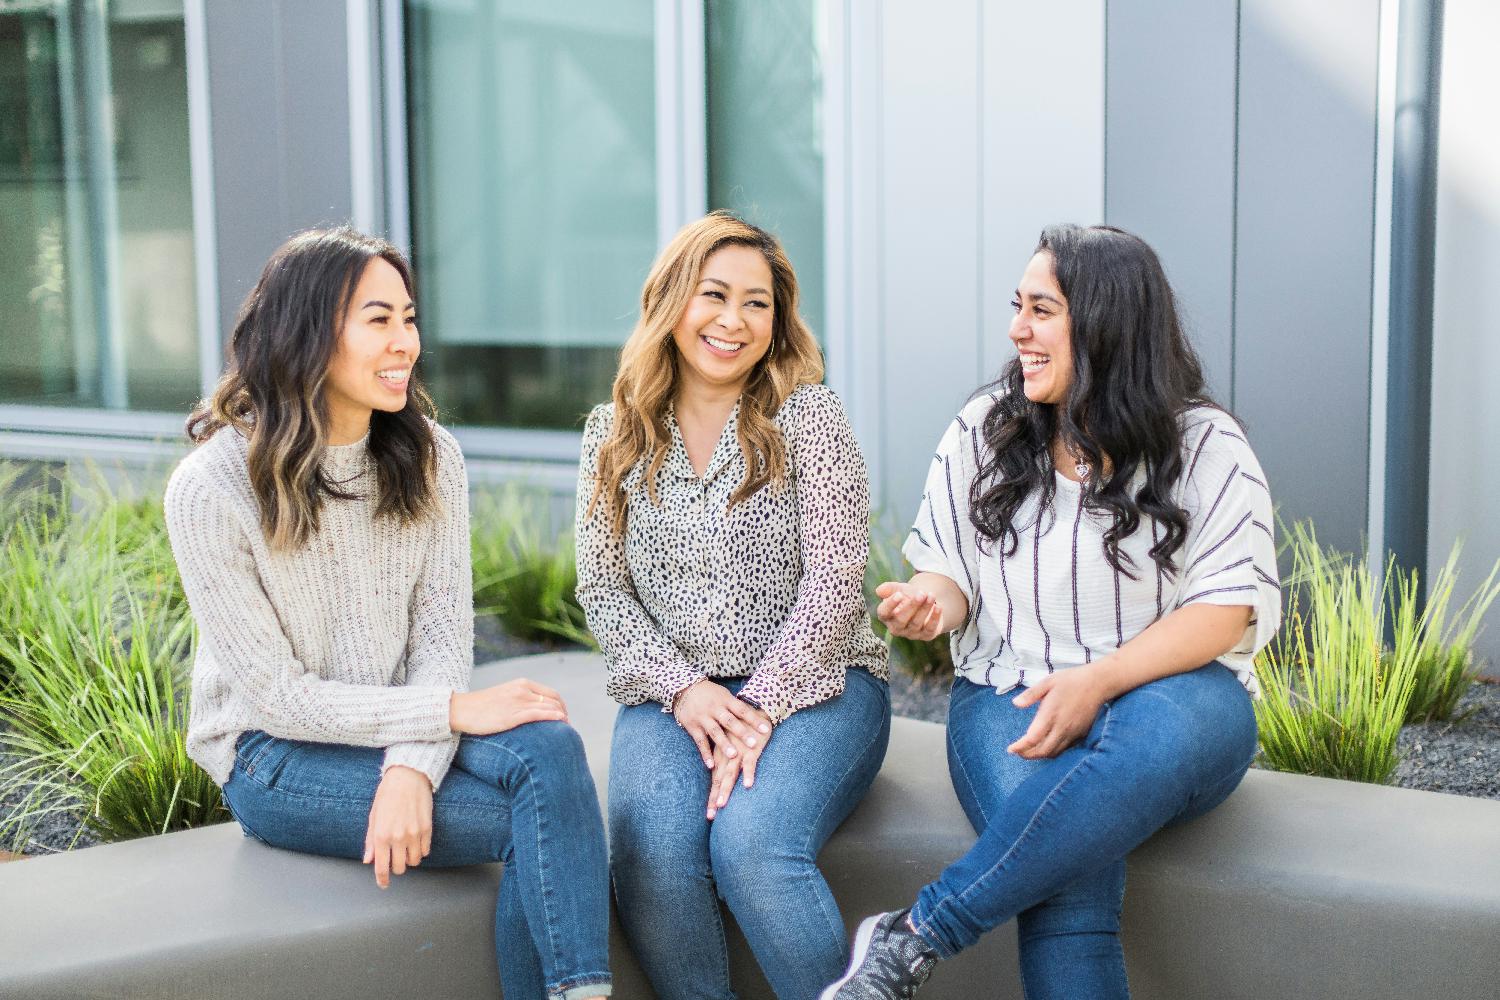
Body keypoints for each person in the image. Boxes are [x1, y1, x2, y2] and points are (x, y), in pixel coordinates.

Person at [823, 224, 1281, 1000]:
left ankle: (919, 934)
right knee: (1069, 889)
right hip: (1012, 695)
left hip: (1174, 698)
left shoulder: (1207, 444)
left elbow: (1225, 613)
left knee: (1155, 735)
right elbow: (949, 570)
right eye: (1018, 307)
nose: (1017, 329)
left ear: (1104, 324)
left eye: (1042, 310)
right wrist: (933, 605)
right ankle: (905, 947)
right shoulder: (985, 428)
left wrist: (1099, 683)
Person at [163, 227, 612, 1000]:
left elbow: (441, 638)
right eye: (379, 319)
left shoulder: (432, 456)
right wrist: (444, 718)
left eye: (408, 317)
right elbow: (279, 697)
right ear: (309, 334)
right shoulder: (212, 489)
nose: (406, 341)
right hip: (275, 756)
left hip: (400, 723)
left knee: (550, 746)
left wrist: (408, 766)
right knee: (531, 816)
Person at [575, 211, 891, 999]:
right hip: (671, 689)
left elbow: (835, 583)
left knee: (751, 845)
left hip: (822, 683)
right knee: (648, 846)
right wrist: (685, 689)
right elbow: (603, 590)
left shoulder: (809, 417)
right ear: (672, 301)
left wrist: (757, 709)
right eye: (714, 294)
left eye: (758, 303)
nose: (733, 320)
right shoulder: (611, 435)